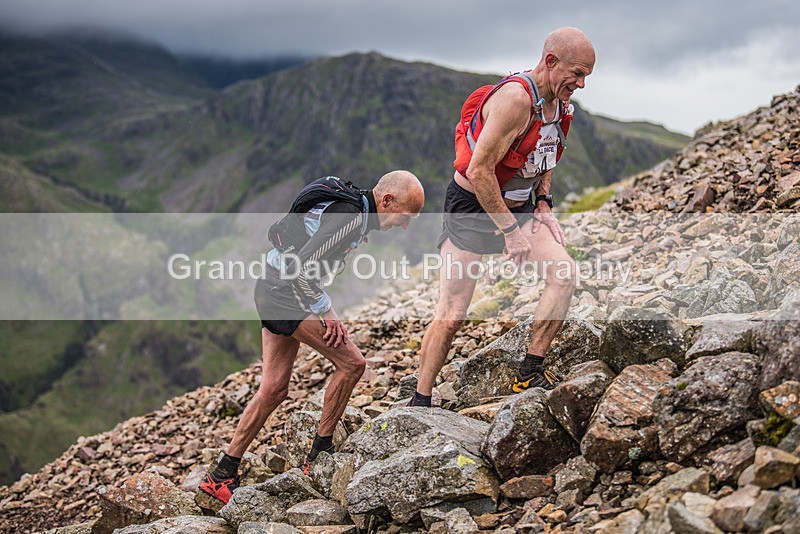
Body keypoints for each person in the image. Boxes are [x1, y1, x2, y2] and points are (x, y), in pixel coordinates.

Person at [200, 170, 425, 504]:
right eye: (405, 216)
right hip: (285, 294)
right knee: (352, 364)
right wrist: (326, 310)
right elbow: (302, 269)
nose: (404, 225)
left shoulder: (354, 212)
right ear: (387, 200)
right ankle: (319, 455)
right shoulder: (351, 216)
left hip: (273, 287)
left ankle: (221, 475)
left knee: (274, 389)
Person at [409, 27, 595, 407]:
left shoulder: (559, 106)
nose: (580, 84)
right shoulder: (515, 100)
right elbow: (480, 172)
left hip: (522, 206)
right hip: (472, 208)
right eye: (576, 74)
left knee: (564, 274)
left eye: (586, 77)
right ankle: (420, 399)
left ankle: (529, 372)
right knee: (453, 312)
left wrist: (543, 203)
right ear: (550, 61)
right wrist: (510, 232)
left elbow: (547, 155)